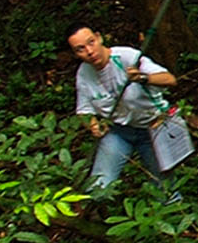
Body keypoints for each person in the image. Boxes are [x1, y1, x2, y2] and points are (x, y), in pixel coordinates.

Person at [69, 27, 184, 197]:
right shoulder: (84, 74)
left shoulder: (127, 57)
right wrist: (92, 125)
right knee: (99, 187)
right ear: (75, 53)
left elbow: (169, 79)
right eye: (81, 49)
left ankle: (174, 216)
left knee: (165, 187)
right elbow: (84, 110)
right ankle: (95, 214)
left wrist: (143, 78)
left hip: (153, 127)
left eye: (91, 42)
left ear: (99, 38)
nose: (90, 52)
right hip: (118, 131)